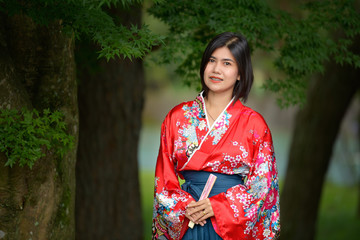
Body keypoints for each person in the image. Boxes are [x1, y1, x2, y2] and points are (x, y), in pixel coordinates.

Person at [151, 32, 280, 240]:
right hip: (188, 219)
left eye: (227, 63)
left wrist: (218, 206)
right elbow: (164, 180)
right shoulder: (177, 117)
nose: (216, 69)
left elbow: (263, 190)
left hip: (230, 225)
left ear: (240, 73)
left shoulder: (254, 124)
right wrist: (184, 206)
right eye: (212, 60)